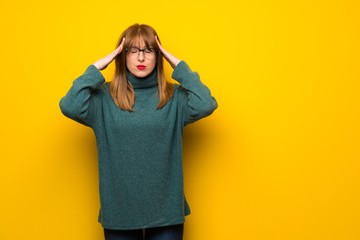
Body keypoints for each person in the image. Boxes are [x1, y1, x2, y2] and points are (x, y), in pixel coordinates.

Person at [59, 23, 217, 240]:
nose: (140, 58)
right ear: (121, 56)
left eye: (148, 50)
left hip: (166, 212)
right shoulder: (104, 98)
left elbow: (205, 104)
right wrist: (96, 67)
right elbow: (70, 105)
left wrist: (177, 63)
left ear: (158, 55)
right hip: (120, 211)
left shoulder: (175, 97)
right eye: (132, 51)